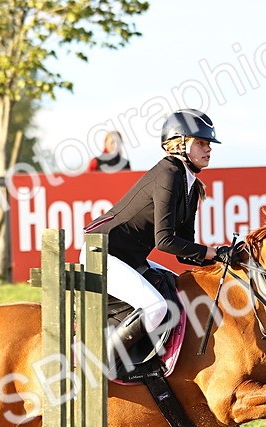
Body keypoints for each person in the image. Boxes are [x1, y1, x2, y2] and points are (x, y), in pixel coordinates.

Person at [85, 109, 229, 355]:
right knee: (156, 307)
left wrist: (220, 256)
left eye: (209, 144)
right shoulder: (169, 173)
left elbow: (183, 252)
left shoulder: (191, 185)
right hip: (103, 253)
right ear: (179, 144)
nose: (209, 149)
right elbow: (164, 241)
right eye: (201, 143)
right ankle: (98, 364)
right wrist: (211, 251)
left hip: (129, 259)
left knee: (182, 290)